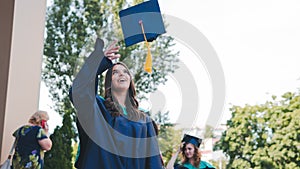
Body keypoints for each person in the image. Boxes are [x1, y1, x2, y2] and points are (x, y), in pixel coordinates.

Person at [69, 38, 164, 169]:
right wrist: (99, 62)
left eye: (125, 72)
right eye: (115, 72)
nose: (121, 74)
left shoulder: (144, 120)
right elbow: (78, 92)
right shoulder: (98, 109)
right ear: (109, 81)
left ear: (130, 81)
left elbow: (153, 161)